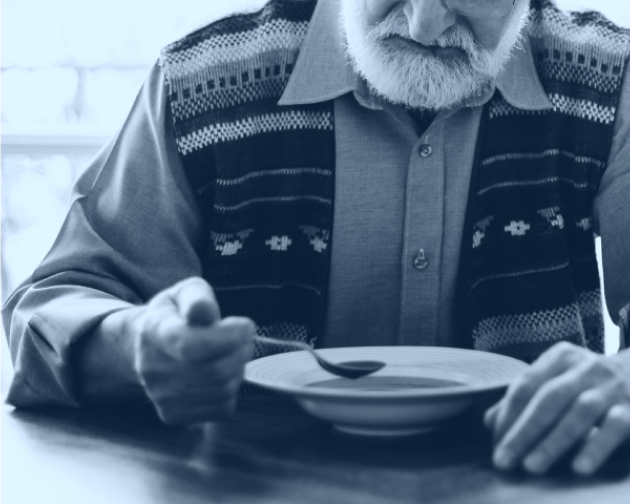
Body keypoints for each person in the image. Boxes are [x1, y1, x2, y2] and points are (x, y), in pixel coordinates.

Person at [3, 0, 630, 476]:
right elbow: (54, 305)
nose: (423, 24)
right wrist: (138, 345)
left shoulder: (612, 76)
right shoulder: (197, 81)